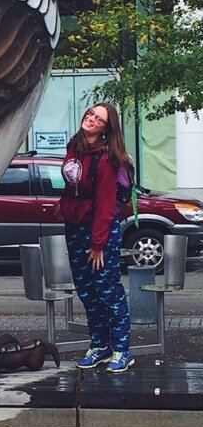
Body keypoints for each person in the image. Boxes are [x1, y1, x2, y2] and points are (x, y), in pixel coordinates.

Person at [59, 102, 135, 373]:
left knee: (108, 290)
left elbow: (105, 204)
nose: (91, 119)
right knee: (87, 292)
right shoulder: (75, 146)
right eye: (90, 114)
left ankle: (122, 350)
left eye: (98, 119)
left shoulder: (106, 158)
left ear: (106, 128)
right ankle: (100, 345)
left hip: (99, 230)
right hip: (75, 226)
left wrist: (98, 244)